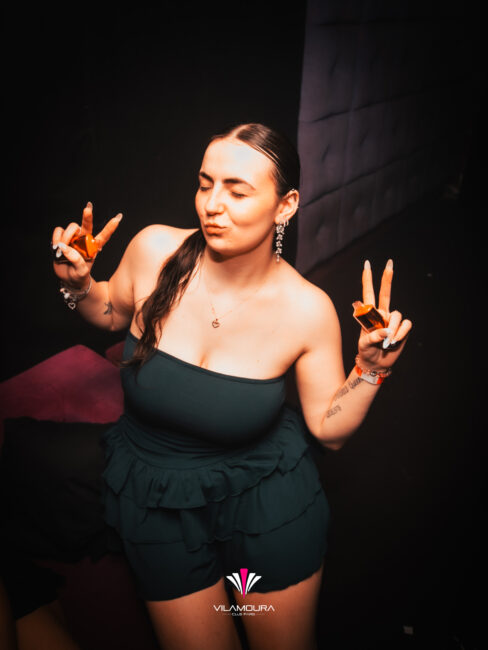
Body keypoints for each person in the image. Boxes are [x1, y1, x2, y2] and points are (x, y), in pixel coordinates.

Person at [51, 123, 412, 650]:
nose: (211, 205)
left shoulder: (307, 309)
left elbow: (328, 432)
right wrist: (78, 286)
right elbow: (108, 312)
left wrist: (371, 370)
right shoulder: (154, 249)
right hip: (159, 497)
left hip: (264, 500)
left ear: (285, 206)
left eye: (237, 192)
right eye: (205, 184)